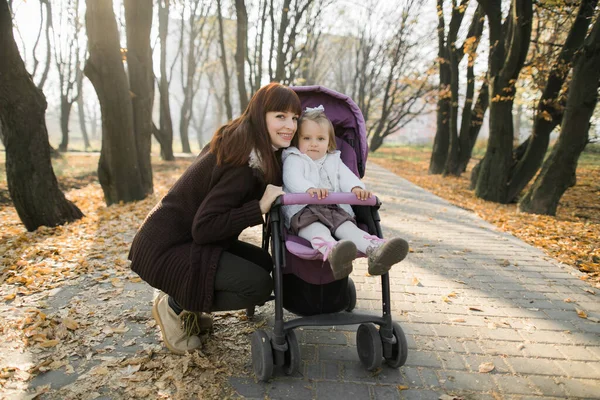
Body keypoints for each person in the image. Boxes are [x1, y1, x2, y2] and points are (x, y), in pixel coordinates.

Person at [128, 83, 302, 355]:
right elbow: (204, 228)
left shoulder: (242, 139)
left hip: (176, 238)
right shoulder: (244, 165)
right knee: (258, 285)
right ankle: (176, 307)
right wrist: (258, 207)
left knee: (263, 262)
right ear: (260, 115)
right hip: (168, 247)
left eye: (294, 118)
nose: (290, 125)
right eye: (280, 116)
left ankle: (190, 303)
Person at [282, 105, 408, 280]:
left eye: (320, 138)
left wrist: (356, 188)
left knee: (348, 229)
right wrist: (309, 189)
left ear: (329, 142)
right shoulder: (294, 158)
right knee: (316, 230)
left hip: (334, 209)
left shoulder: (334, 160)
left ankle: (376, 251)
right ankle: (334, 251)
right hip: (304, 210)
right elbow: (291, 178)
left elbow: (346, 176)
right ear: (297, 140)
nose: (314, 143)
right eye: (307, 138)